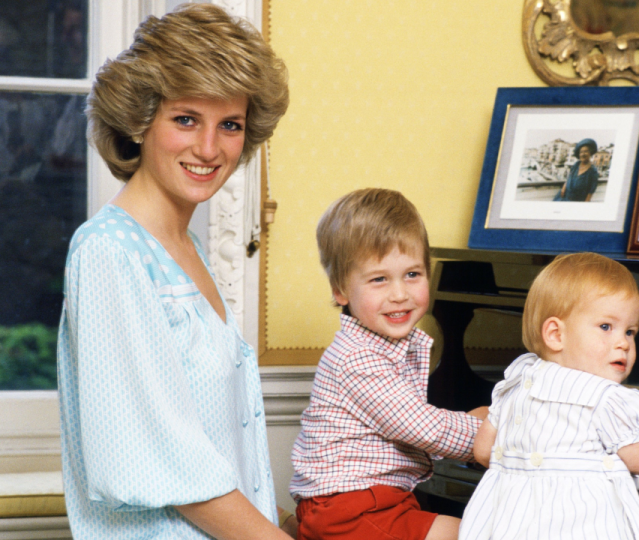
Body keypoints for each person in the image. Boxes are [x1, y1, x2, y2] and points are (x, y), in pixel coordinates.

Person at [57, 4, 293, 539]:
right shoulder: (108, 252)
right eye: (186, 118)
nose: (209, 149)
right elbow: (156, 461)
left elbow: (214, 444)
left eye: (229, 125)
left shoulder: (184, 248)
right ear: (139, 121)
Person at [290, 188, 488, 540]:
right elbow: (422, 428)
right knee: (476, 533)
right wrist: (489, 433)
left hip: (377, 501)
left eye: (412, 274)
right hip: (348, 509)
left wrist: (471, 422)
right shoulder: (357, 357)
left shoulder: (388, 345)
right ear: (341, 290)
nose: (400, 293)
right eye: (379, 279)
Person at [459, 252, 639, 540]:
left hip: (506, 526)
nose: (623, 343)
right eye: (606, 327)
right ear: (556, 334)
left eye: (630, 331)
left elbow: (483, 451)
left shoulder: (517, 382)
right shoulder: (606, 398)